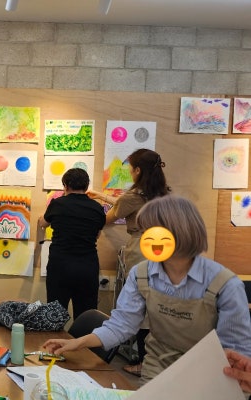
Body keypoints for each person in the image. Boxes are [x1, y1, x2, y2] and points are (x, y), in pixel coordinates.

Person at [43, 195, 251, 384]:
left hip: (207, 377)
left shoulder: (224, 284)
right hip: (156, 370)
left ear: (182, 231)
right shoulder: (141, 274)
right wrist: (77, 343)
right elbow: (121, 325)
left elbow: (236, 352)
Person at [87, 148, 170, 377]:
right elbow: (125, 203)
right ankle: (150, 359)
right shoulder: (161, 193)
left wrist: (90, 213)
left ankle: (143, 362)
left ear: (138, 170)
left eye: (131, 169)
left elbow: (109, 217)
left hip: (142, 249)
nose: (130, 172)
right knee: (154, 303)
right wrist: (101, 196)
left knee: (139, 304)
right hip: (163, 248)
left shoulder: (134, 197)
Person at [37, 168, 106, 321]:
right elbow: (97, 235)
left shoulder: (57, 204)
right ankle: (83, 338)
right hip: (87, 267)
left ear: (65, 185)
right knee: (85, 317)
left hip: (60, 266)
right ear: (86, 186)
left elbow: (43, 223)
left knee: (55, 316)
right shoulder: (97, 208)